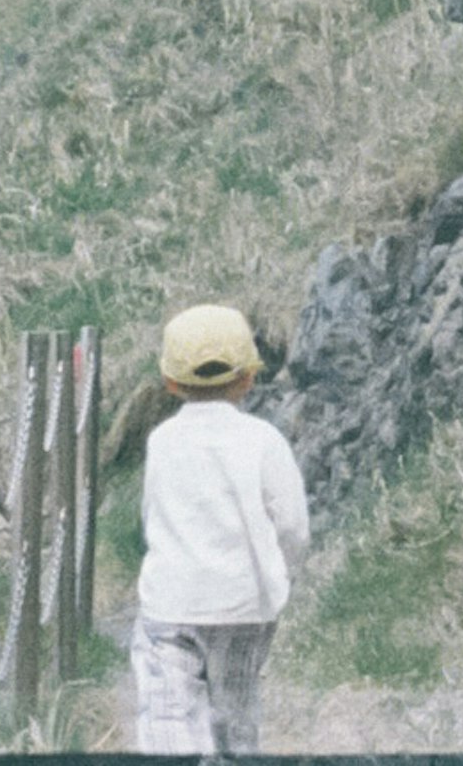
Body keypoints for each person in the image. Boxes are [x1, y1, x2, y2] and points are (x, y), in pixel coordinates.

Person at [130, 303, 308, 757]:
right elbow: (292, 526)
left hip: (171, 603)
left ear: (170, 382)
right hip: (244, 604)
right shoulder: (264, 440)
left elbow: (152, 516)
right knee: (236, 714)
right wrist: (282, 575)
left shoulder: (161, 441)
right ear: (249, 375)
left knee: (168, 715)